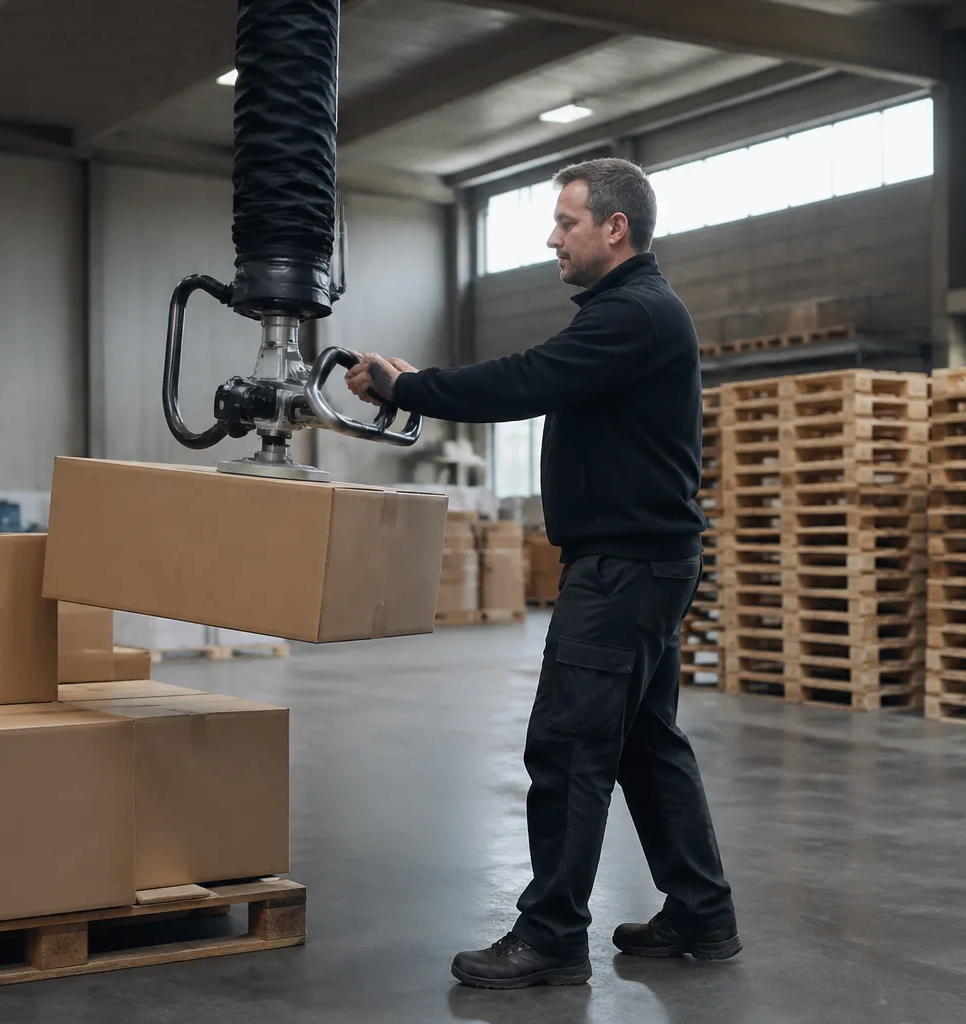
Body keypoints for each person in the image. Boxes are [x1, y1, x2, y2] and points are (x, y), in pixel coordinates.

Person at [345, 158, 738, 990]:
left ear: (615, 229)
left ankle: (552, 935)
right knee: (645, 744)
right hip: (643, 560)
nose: (552, 238)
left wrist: (409, 386)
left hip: (626, 567)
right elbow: (538, 378)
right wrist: (412, 388)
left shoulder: (634, 315)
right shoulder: (628, 314)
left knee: (567, 745)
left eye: (566, 222)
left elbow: (523, 380)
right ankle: (702, 912)